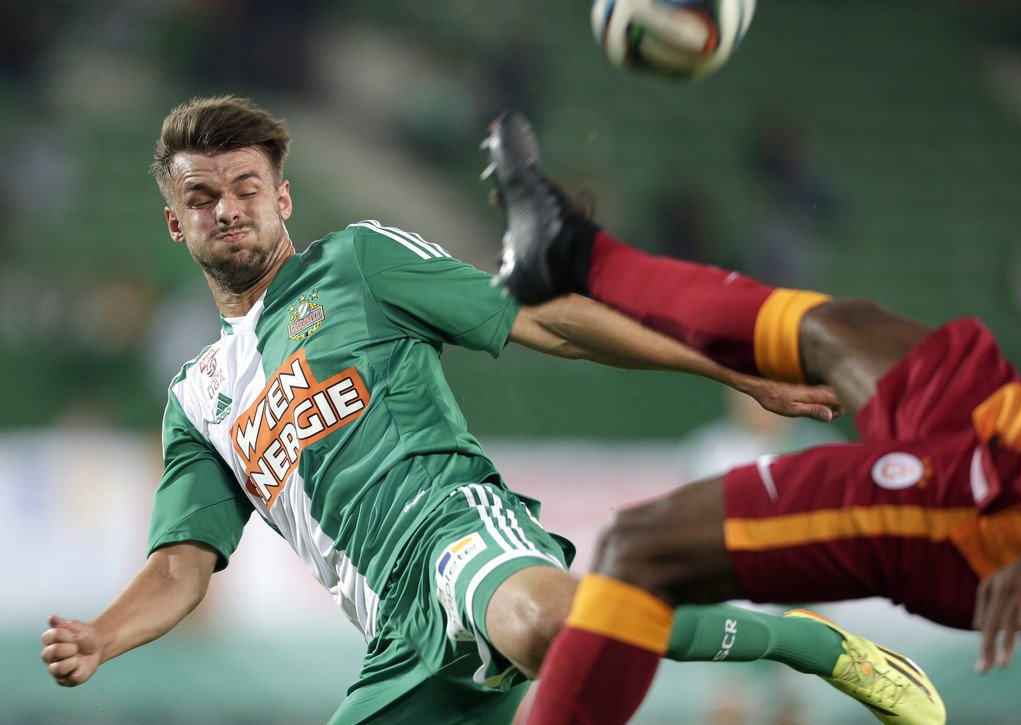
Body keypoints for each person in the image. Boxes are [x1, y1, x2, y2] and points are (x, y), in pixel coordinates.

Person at [41, 96, 937, 724]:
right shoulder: (195, 399)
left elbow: (542, 319)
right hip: (396, 636)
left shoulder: (355, 264)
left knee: (544, 623)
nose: (228, 209)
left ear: (282, 198)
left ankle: (805, 642)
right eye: (202, 197)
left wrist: (730, 367)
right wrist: (101, 635)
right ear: (176, 223)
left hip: (456, 531)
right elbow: (182, 565)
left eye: (245, 187)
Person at [483, 111, 1021, 723]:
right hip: (1006, 424)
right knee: (843, 328)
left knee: (644, 548)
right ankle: (570, 250)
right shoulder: (711, 444)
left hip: (995, 506)